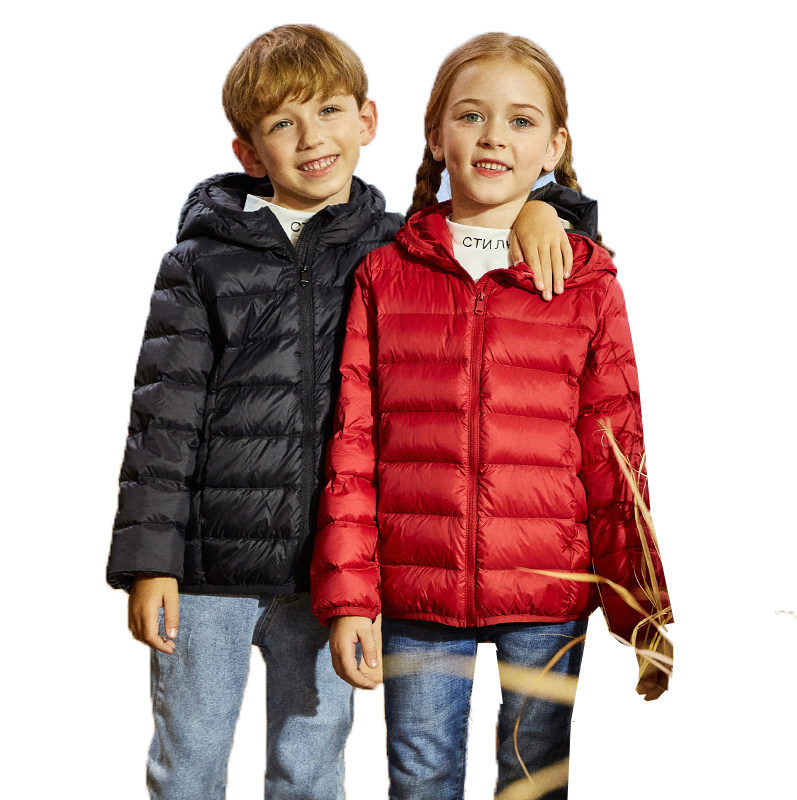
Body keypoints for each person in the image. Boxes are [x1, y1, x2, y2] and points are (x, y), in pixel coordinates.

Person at [105, 24, 595, 800]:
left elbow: (496, 236)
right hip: (205, 570)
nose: (311, 138)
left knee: (312, 766)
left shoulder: (397, 249)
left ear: (367, 120)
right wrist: (150, 562)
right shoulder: (199, 264)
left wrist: (548, 209)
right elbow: (162, 421)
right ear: (248, 152)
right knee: (189, 762)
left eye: (329, 110)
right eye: (283, 122)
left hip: (329, 578)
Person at [311, 32, 672, 800]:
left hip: (547, 593)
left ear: (554, 146)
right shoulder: (385, 273)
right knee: (420, 779)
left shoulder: (588, 280)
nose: (493, 137)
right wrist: (351, 596)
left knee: (534, 781)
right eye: (472, 116)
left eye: (520, 120)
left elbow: (617, 449)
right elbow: (352, 444)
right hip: (416, 589)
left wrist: (641, 608)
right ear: (436, 135)